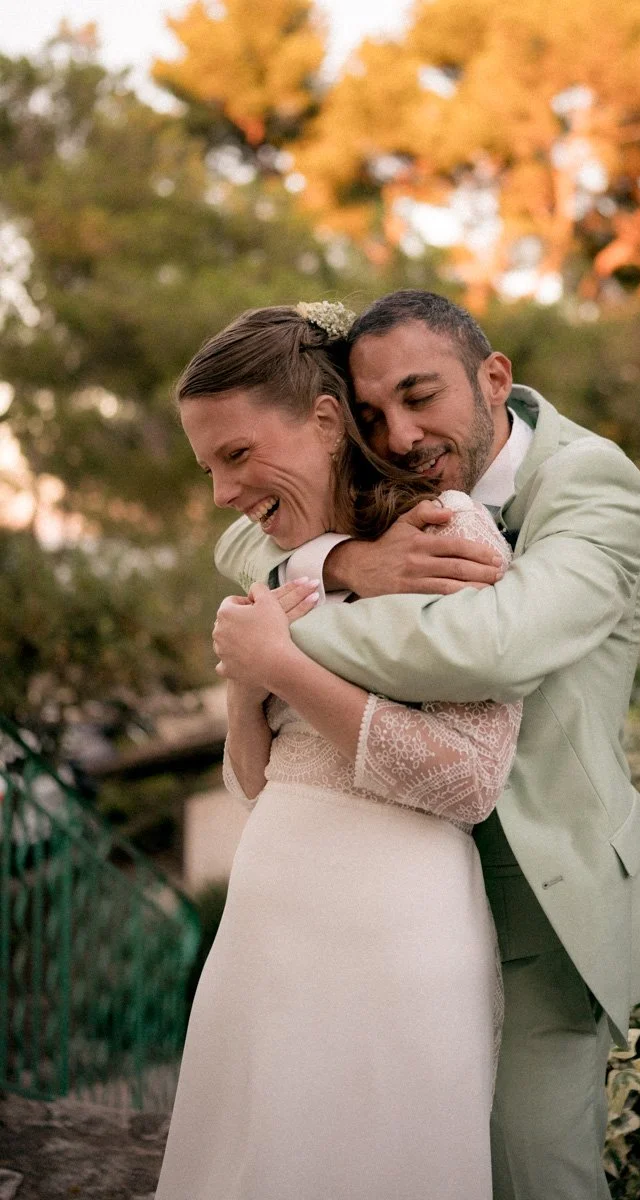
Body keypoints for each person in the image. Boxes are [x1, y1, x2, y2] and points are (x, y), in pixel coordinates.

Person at [216, 289, 640, 1200]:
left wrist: (275, 643)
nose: (398, 437)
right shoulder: (386, 495)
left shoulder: (593, 481)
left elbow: (495, 648)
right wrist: (342, 563)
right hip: (397, 889)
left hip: (539, 887)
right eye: (371, 416)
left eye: (420, 396)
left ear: (494, 378)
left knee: (530, 1168)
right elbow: (240, 542)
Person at [154, 303, 522, 1200]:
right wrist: (244, 687)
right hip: (264, 927)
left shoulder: (449, 534)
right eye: (209, 468)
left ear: (326, 421)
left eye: (238, 455)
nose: (222, 492)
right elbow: (253, 784)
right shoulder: (285, 569)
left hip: (394, 933)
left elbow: (470, 782)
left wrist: (280, 665)